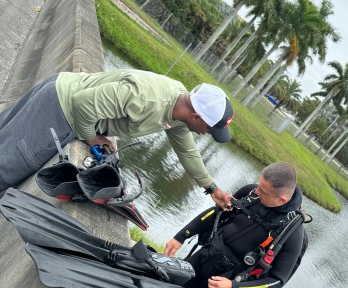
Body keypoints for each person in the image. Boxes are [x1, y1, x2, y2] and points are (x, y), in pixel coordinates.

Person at [0, 70, 233, 208]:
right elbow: (83, 104)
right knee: (7, 167)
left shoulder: (179, 108)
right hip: (60, 109)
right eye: (209, 129)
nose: (206, 134)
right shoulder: (144, 99)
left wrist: (211, 188)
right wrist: (92, 138)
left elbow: (188, 152)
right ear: (196, 116)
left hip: (59, 86)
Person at [164, 162, 305, 288]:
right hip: (203, 259)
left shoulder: (293, 233)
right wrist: (181, 236)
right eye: (258, 185)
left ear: (282, 200)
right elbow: (216, 213)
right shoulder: (250, 193)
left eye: (263, 191)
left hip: (226, 285)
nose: (257, 192)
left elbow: (276, 282)